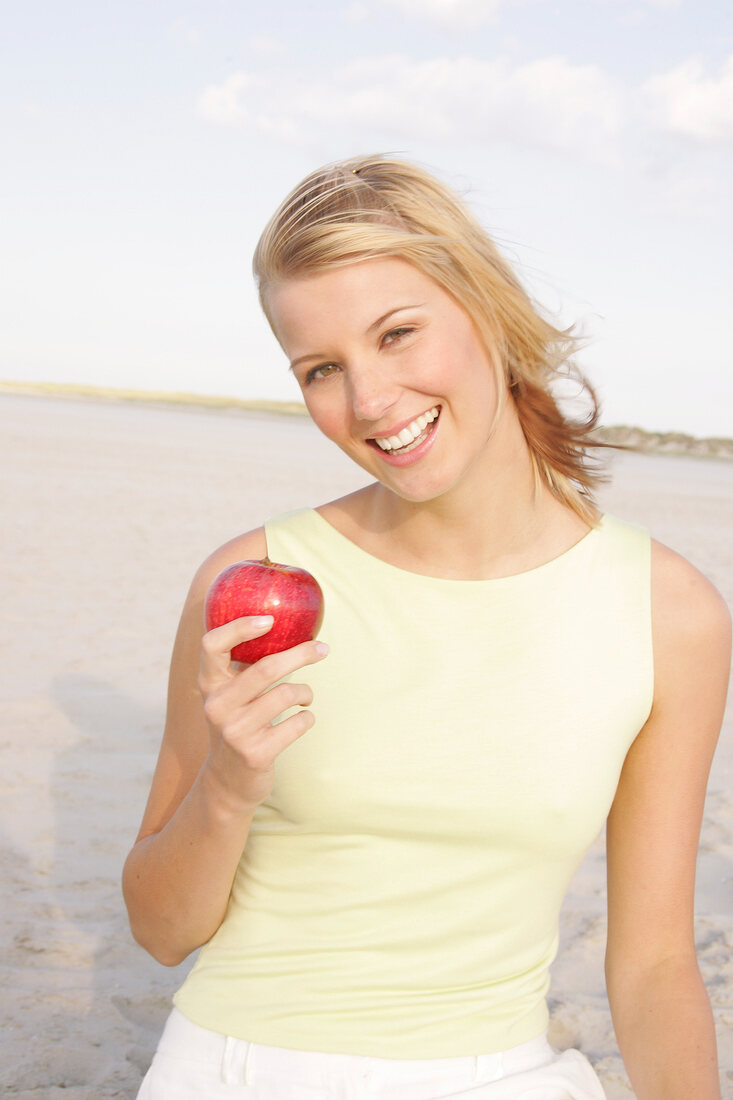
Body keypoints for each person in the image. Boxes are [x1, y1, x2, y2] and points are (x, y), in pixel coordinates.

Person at [122, 155, 731, 1099]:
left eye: (398, 334)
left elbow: (652, 966)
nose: (368, 402)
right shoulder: (255, 580)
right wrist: (228, 788)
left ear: (486, 309)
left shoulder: (668, 612)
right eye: (322, 369)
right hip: (236, 1070)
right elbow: (161, 931)